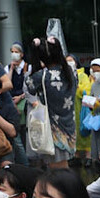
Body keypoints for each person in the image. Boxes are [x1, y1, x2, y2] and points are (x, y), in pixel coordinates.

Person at [24, 36, 76, 169]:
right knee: (64, 166)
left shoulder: (40, 76)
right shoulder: (70, 72)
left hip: (51, 127)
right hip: (69, 125)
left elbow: (29, 86)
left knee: (55, 168)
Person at [65, 54, 91, 166]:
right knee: (71, 131)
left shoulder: (83, 75)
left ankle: (88, 155)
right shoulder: (64, 75)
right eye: (67, 61)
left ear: (76, 62)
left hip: (80, 107)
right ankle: (74, 154)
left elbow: (87, 90)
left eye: (71, 61)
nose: (69, 63)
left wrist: (77, 88)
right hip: (68, 107)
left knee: (83, 130)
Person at [7, 42, 32, 153]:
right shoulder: (7, 67)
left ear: (22, 54)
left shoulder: (28, 67)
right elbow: (6, 84)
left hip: (25, 99)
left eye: (16, 52)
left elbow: (30, 86)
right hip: (12, 100)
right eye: (12, 52)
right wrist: (12, 69)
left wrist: (21, 97)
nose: (14, 54)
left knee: (24, 128)